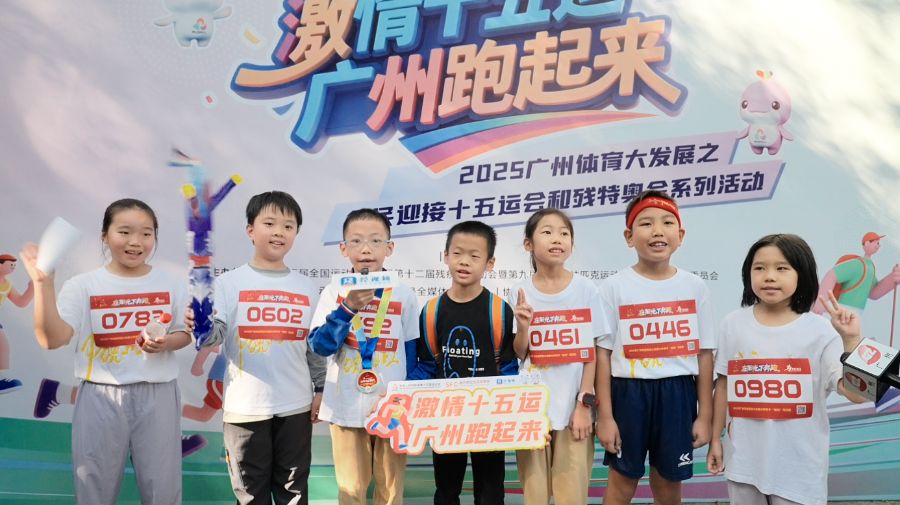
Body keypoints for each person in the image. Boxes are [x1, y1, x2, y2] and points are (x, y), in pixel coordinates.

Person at [20, 198, 191, 505]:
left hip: (159, 395)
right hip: (100, 396)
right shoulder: (83, 286)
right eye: (124, 232)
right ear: (105, 236)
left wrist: (166, 343)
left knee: (163, 491)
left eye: (146, 233)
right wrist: (43, 285)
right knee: (93, 489)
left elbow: (184, 333)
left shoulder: (172, 283)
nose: (136, 242)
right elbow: (52, 339)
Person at [707, 234, 867, 505]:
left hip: (799, 470)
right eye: (760, 268)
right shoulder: (732, 324)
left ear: (801, 274)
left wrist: (851, 341)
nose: (769, 276)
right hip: (744, 463)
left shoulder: (820, 331)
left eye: (782, 268)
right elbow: (722, 386)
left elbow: (857, 394)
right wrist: (715, 440)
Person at [194, 191, 326, 505]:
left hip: (295, 406)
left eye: (288, 226)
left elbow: (315, 346)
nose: (279, 232)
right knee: (251, 495)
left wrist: (320, 389)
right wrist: (200, 325)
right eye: (269, 223)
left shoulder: (307, 286)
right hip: (245, 408)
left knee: (294, 493)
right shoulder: (228, 283)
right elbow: (214, 337)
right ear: (251, 230)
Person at [594, 190, 715, 505]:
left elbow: (704, 355)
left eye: (667, 223)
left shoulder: (694, 287)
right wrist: (605, 416)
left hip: (678, 396)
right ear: (629, 236)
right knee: (621, 485)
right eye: (646, 223)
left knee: (668, 486)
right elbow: (602, 356)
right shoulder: (613, 287)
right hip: (628, 394)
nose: (657, 231)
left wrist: (704, 415)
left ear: (681, 235)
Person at [308, 208, 420, 505]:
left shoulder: (404, 294)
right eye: (356, 241)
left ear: (389, 248)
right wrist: (347, 309)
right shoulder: (333, 291)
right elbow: (320, 346)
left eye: (375, 240)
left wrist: (407, 400)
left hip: (391, 408)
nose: (366, 249)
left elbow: (413, 352)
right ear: (343, 249)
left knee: (391, 490)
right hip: (345, 405)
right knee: (351, 490)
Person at [411, 220, 519, 505]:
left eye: (474, 255)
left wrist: (511, 414)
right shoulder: (431, 310)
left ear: (490, 263)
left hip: (489, 418)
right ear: (445, 256)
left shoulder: (499, 310)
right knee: (446, 491)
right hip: (446, 417)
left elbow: (509, 368)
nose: (464, 261)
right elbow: (427, 365)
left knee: (490, 493)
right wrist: (401, 395)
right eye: (457, 253)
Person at [510, 209, 607, 505]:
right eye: (547, 232)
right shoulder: (520, 290)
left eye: (564, 233)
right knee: (535, 496)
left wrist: (584, 405)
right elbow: (520, 353)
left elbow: (592, 352)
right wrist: (523, 327)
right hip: (532, 412)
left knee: (571, 496)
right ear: (528, 244)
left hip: (573, 413)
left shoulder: (585, 289)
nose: (557, 239)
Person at [0, 254, 34, 393]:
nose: (13, 267)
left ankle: (0, 378)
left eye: (14, 265)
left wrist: (32, 288)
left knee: (3, 346)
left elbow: (21, 302)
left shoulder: (7, 285)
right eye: (10, 264)